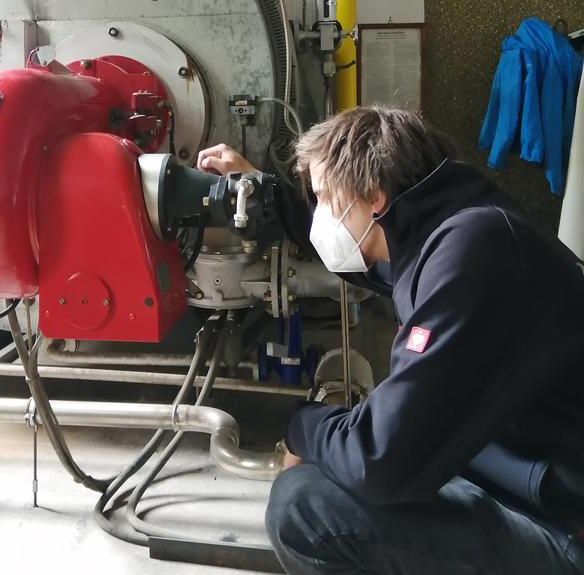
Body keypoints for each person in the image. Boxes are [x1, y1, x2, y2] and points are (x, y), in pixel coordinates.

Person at [197, 106, 584, 575]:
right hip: (526, 480)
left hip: (561, 527)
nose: (320, 214)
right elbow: (358, 254)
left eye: (323, 196)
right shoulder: (445, 226)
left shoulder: (472, 252)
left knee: (305, 507)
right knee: (336, 463)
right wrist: (262, 187)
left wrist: (303, 427)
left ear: (374, 198)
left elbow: (378, 463)